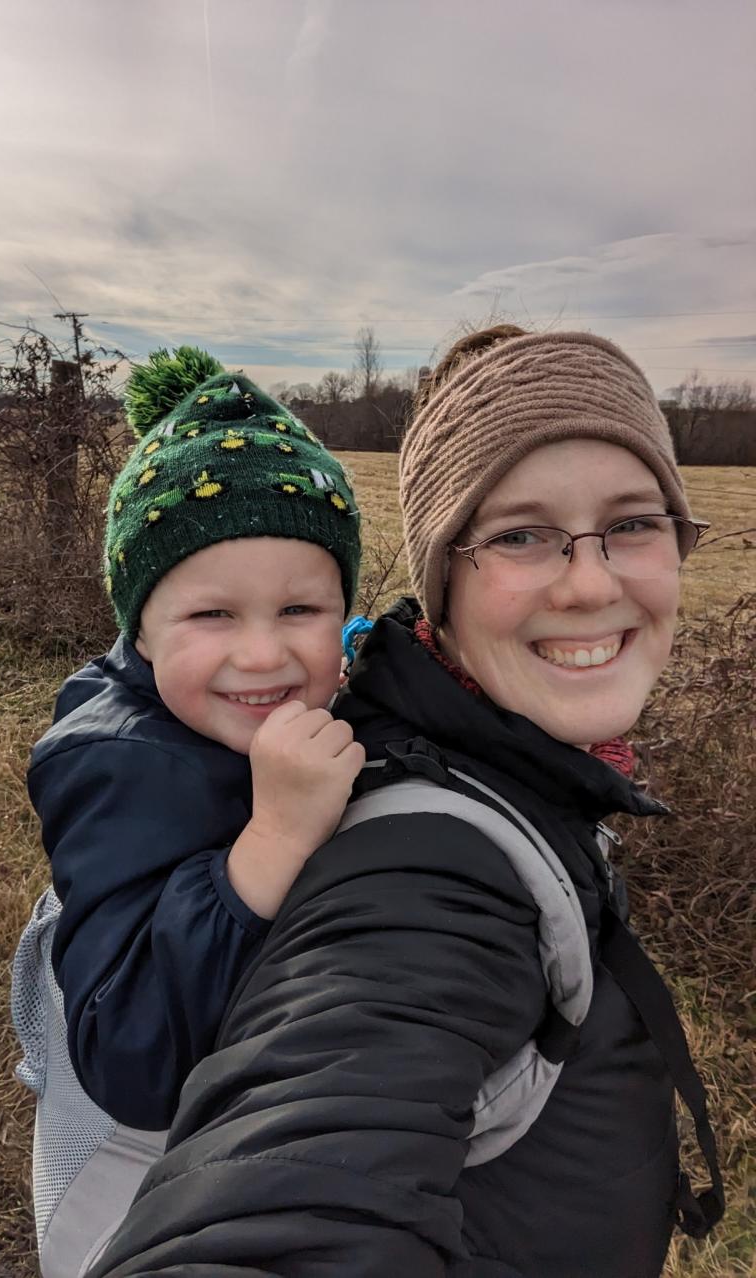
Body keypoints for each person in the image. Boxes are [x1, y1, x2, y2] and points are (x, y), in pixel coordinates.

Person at [83, 328, 723, 1278]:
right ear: (440, 591)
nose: (591, 582)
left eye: (633, 522)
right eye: (519, 534)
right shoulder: (421, 870)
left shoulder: (513, 770)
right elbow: (296, 1185)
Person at [10, 347, 363, 1278]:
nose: (263, 655)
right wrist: (276, 837)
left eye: (301, 608)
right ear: (139, 624)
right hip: (133, 1191)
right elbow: (129, 1057)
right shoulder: (124, 766)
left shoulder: (213, 712)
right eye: (212, 616)